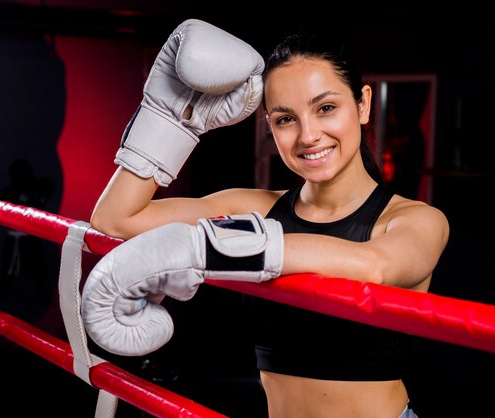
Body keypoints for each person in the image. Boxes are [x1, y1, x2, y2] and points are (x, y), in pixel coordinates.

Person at [82, 19, 450, 418]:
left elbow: (375, 265)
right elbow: (116, 217)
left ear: (362, 104)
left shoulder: (415, 220)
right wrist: (171, 119)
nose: (308, 135)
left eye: (325, 108)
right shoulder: (254, 208)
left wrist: (204, 248)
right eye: (285, 118)